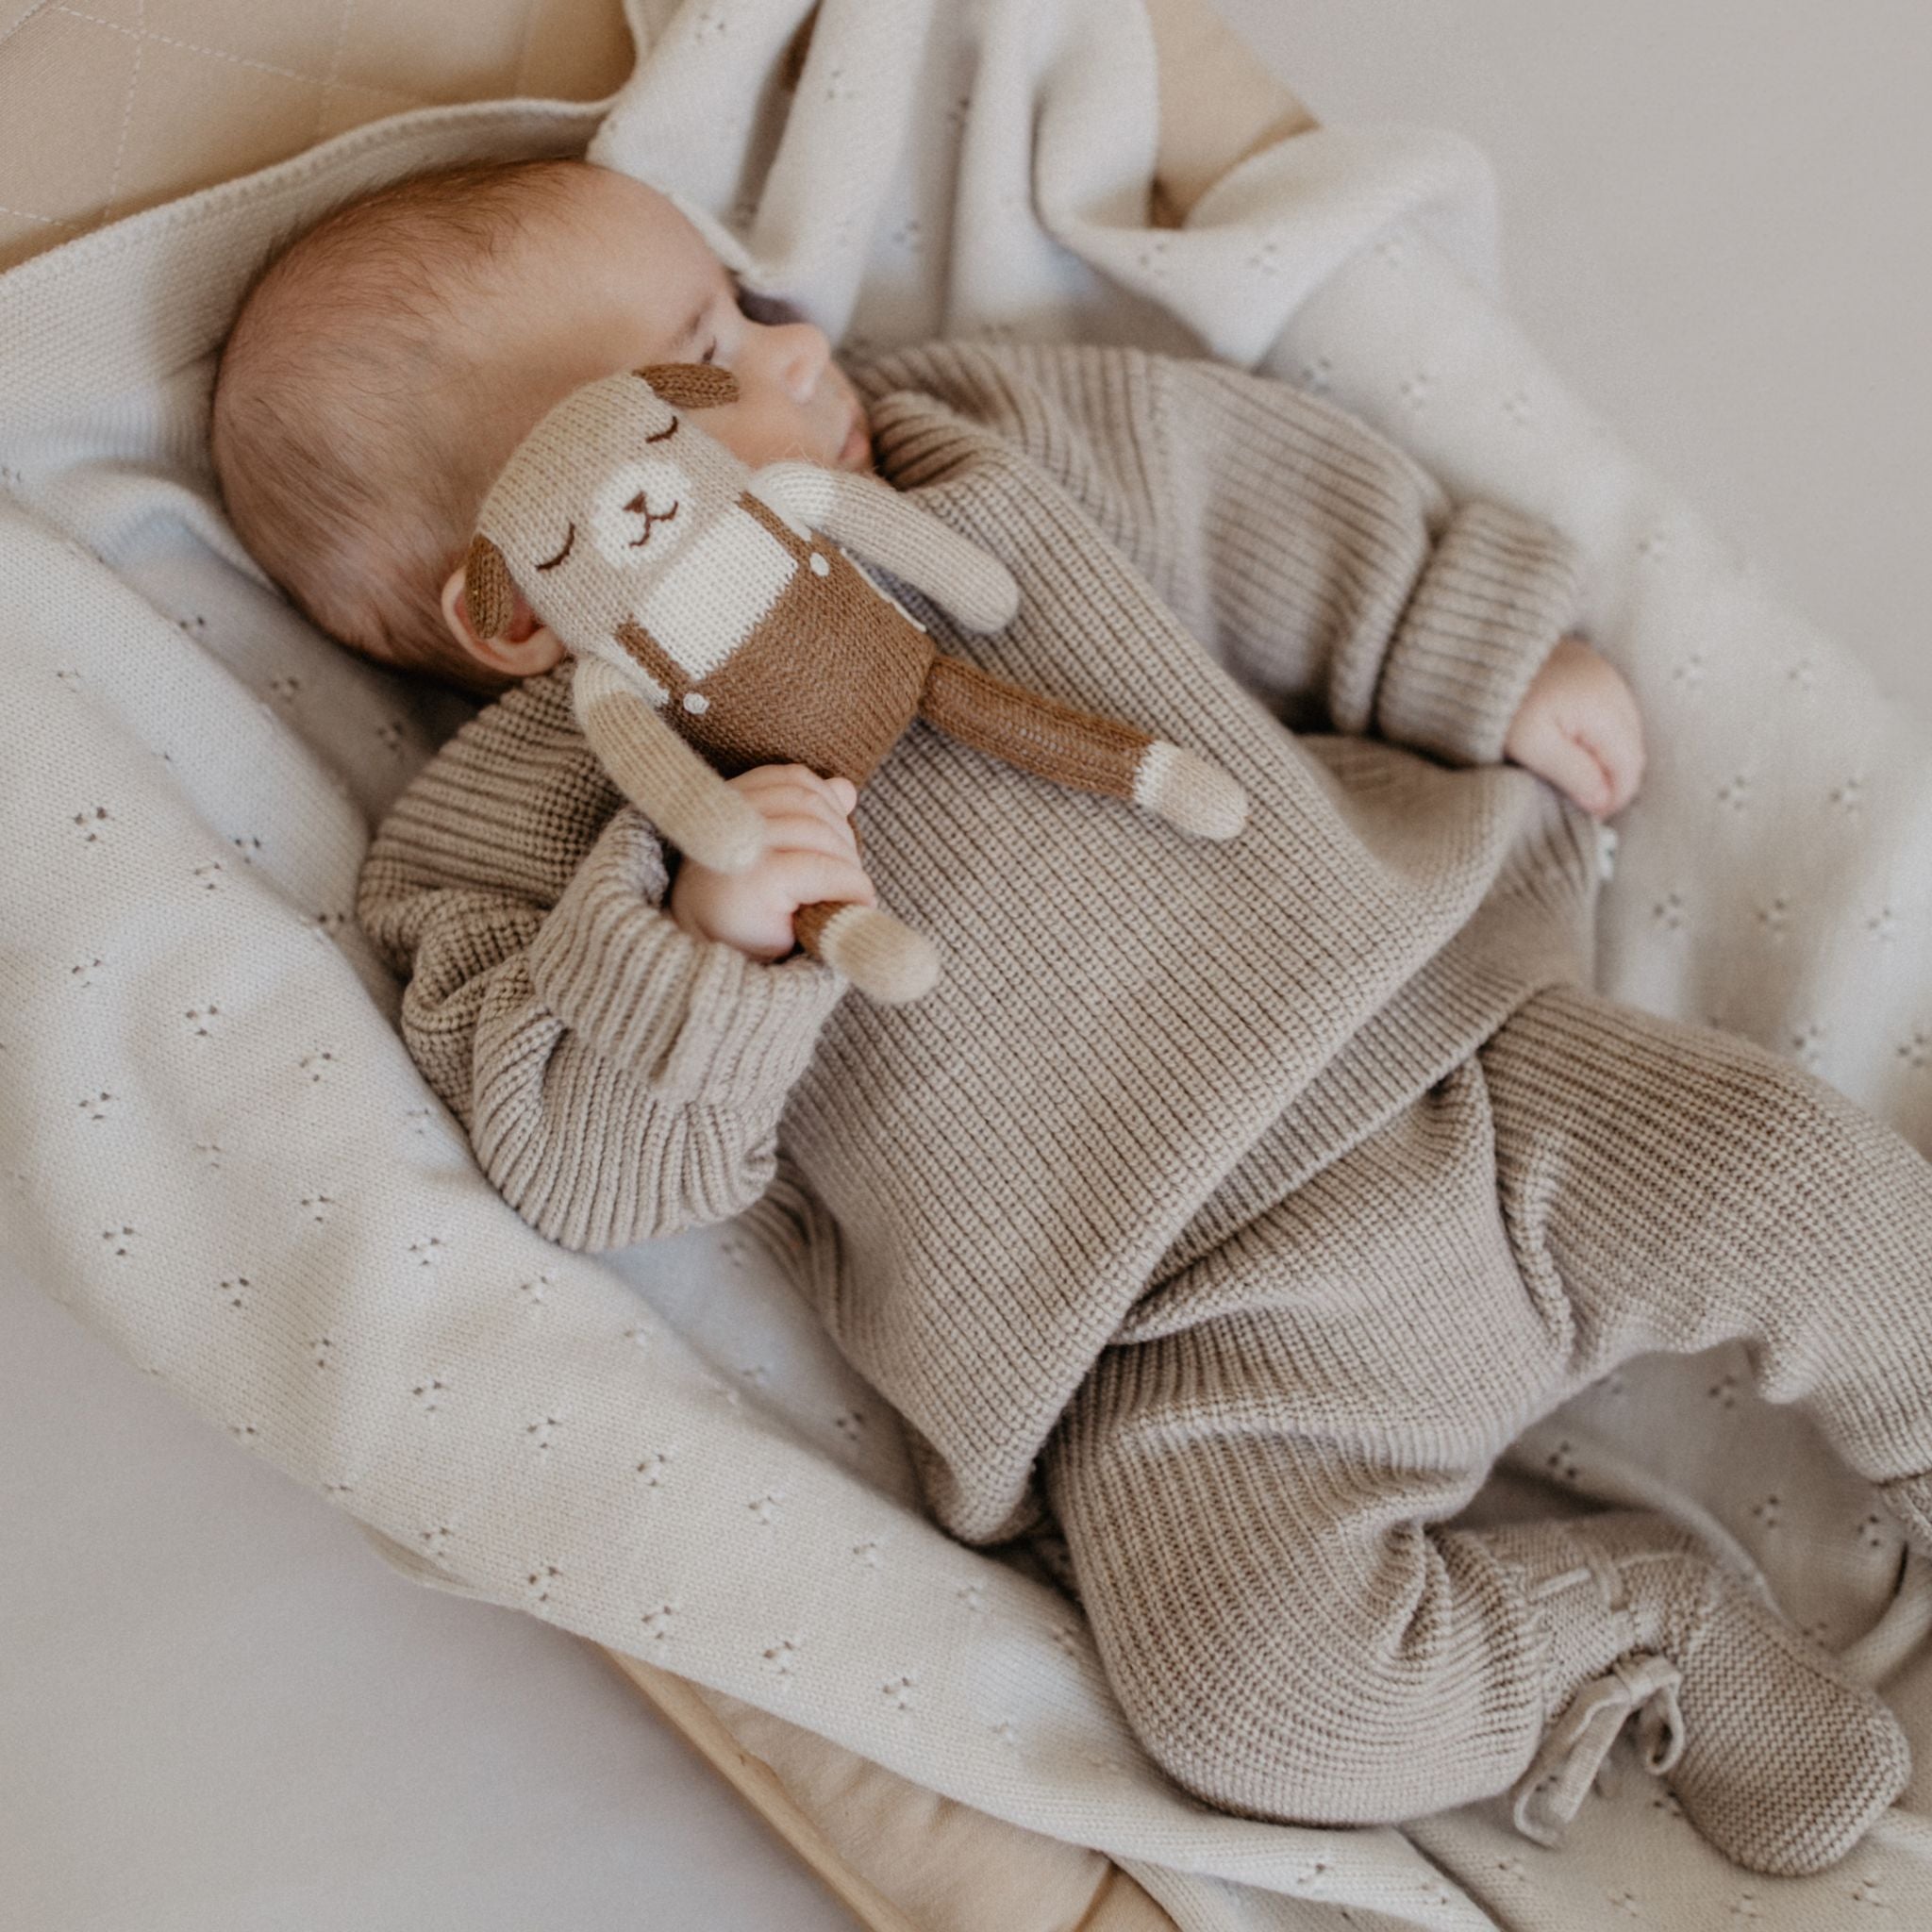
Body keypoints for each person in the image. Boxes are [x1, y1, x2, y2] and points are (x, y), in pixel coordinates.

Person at [212, 155, 1932, 1876]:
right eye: (709, 354)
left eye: (752, 300)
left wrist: (1459, 645)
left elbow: (1239, 502)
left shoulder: (958, 458)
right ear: (521, 593)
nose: (801, 345)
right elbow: (583, 1171)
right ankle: (1650, 1626)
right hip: (1162, 1357)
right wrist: (705, 936)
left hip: (1456, 1073)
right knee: (1259, 1706)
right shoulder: (506, 844)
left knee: (1801, 1187)